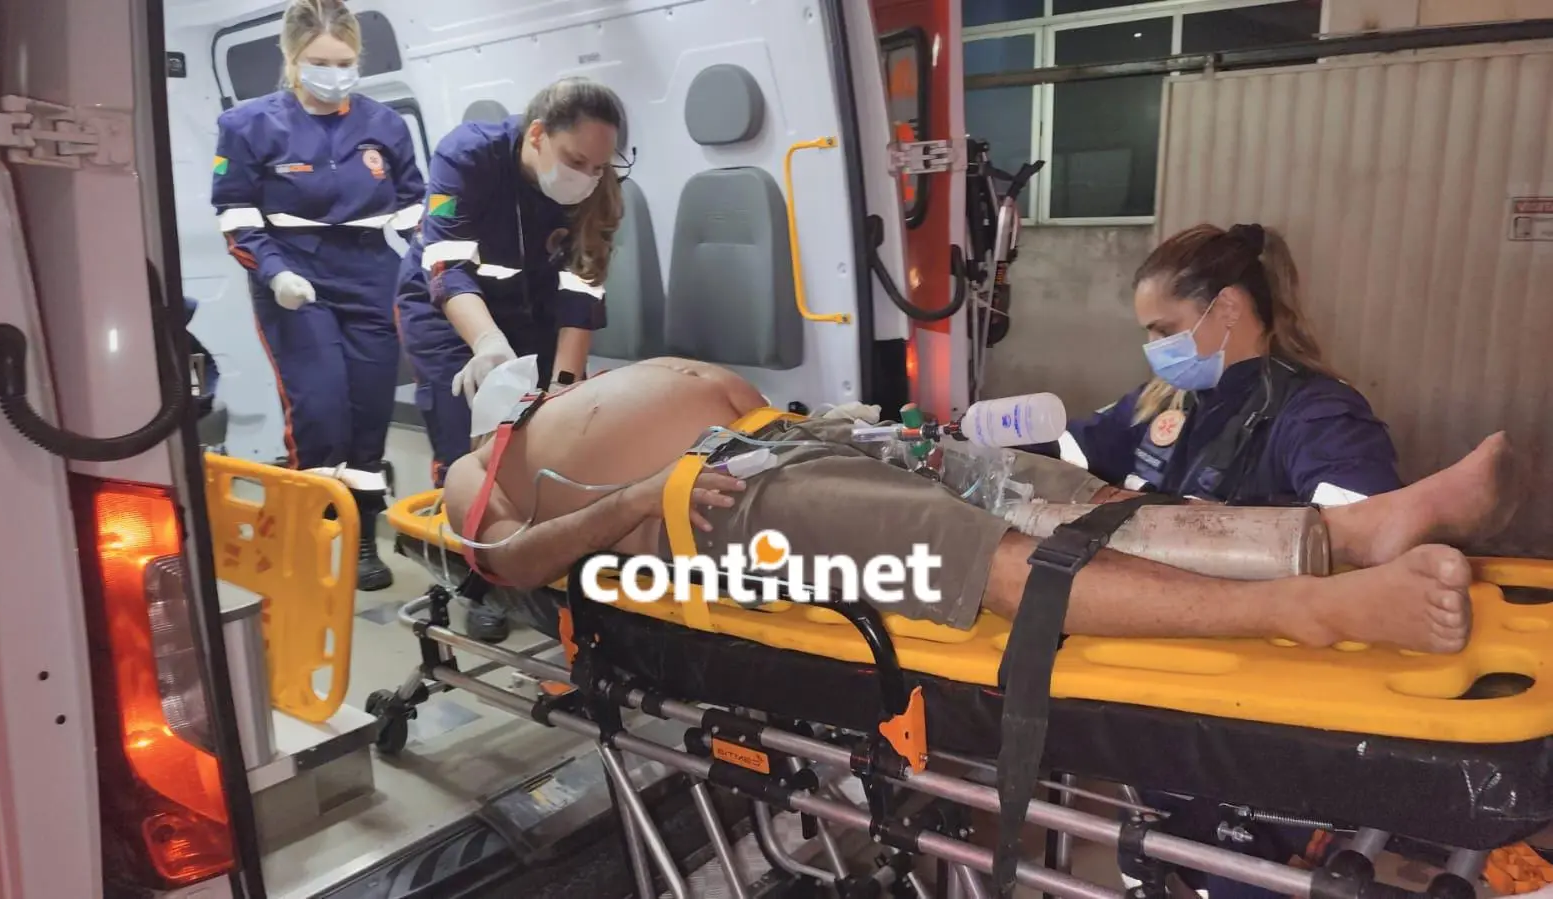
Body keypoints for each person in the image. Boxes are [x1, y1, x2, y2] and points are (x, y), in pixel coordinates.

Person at [440, 357, 1520, 653]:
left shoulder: (558, 392)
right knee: (970, 546)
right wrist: (641, 492)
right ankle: (1305, 608)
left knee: (1054, 489)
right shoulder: (468, 471)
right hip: (722, 499)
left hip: (798, 437)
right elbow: (509, 563)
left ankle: (1345, 531)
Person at [395, 76, 624, 639]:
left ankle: (536, 558)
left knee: (548, 432)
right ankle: (477, 579)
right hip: (449, 313)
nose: (588, 176)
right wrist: (487, 344)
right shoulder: (469, 157)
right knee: (470, 443)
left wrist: (565, 384)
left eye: (599, 166)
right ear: (537, 134)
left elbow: (582, 290)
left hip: (532, 310)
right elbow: (447, 266)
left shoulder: (597, 188)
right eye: (577, 161)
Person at [211, 0, 424, 591]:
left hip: (371, 274)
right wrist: (274, 272)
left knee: (369, 413)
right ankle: (309, 532)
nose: (335, 74)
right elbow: (236, 214)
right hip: (294, 279)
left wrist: (424, 253)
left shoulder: (385, 124)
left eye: (345, 62)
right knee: (321, 409)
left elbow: (413, 202)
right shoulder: (249, 125)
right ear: (292, 58)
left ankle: (360, 537)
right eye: (321, 63)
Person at [1060, 223, 1399, 508]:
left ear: (1227, 308)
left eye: (1165, 330)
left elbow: (1362, 532)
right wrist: (1027, 431)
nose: (1153, 346)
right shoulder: (1162, 399)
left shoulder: (1318, 416)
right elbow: (1077, 445)